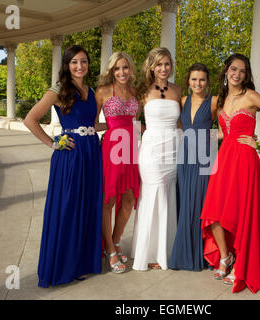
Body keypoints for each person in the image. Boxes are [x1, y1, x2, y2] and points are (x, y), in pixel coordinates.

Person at [200, 53, 260, 293]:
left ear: (246, 75)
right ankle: (225, 257)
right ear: (226, 71)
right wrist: (198, 138)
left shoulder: (251, 96)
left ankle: (241, 265)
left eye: (242, 71)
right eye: (233, 69)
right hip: (224, 159)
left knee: (243, 214)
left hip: (245, 161)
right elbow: (224, 132)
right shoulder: (220, 101)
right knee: (214, 211)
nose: (237, 74)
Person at [24, 45, 105, 288]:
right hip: (70, 155)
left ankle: (82, 263)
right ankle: (63, 266)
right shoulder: (58, 90)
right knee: (69, 206)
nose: (80, 66)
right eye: (74, 62)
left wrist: (117, 126)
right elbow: (30, 119)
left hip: (91, 152)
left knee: (87, 205)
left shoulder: (91, 91)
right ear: (67, 66)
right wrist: (53, 143)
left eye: (84, 61)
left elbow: (91, 125)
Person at [131, 47, 181, 271]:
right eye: (159, 64)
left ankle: (166, 251)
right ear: (151, 66)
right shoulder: (140, 91)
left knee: (169, 196)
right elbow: (130, 122)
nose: (163, 68)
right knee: (152, 194)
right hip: (151, 150)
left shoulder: (178, 90)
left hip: (174, 149)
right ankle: (148, 253)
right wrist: (147, 133)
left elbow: (181, 124)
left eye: (167, 64)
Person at [95, 52, 141, 273]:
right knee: (109, 200)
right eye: (117, 69)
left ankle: (114, 240)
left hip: (131, 147)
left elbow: (142, 121)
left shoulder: (136, 93)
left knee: (130, 199)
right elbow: (93, 124)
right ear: (111, 71)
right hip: (113, 147)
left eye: (125, 68)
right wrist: (111, 130)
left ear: (130, 69)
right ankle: (111, 250)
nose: (121, 72)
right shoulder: (103, 92)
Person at [169, 63, 217, 271]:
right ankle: (184, 251)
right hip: (184, 155)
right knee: (184, 200)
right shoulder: (182, 101)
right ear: (188, 81)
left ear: (208, 82)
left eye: (202, 79)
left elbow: (226, 127)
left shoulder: (214, 101)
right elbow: (179, 125)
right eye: (194, 79)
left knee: (198, 202)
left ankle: (199, 255)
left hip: (204, 156)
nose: (198, 83)